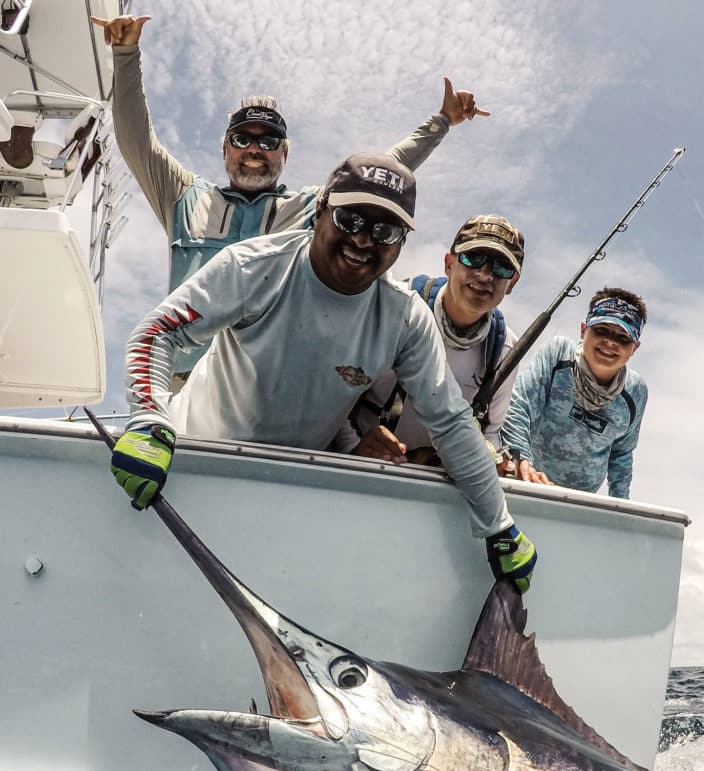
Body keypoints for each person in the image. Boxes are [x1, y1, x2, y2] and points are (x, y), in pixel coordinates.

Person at [109, 151, 537, 592]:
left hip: (292, 494)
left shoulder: (404, 316)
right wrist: (148, 417)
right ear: (320, 210)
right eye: (350, 218)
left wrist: (499, 525)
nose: (364, 240)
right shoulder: (253, 265)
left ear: (401, 243)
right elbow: (159, 333)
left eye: (384, 230)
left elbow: (450, 422)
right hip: (187, 468)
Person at [91, 13, 489, 382]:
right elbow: (136, 141)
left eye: (269, 141)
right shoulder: (183, 195)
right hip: (181, 386)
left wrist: (440, 123)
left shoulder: (310, 209)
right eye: (242, 138)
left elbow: (385, 169)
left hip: (265, 394)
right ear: (225, 148)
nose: (254, 149)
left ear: (285, 152)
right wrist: (126, 54)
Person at [338, 214, 524, 467]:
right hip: (351, 467)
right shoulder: (391, 306)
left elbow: (490, 432)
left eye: (501, 267)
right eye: (473, 258)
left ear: (512, 282)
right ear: (449, 264)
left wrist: (496, 459)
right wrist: (353, 447)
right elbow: (331, 391)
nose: (485, 275)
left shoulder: (503, 350)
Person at [500, 287, 648, 499]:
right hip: (526, 487)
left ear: (635, 347)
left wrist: (621, 504)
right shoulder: (557, 354)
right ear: (583, 329)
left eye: (623, 338)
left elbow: (621, 455)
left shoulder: (636, 392)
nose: (610, 343)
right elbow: (518, 407)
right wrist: (521, 460)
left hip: (578, 505)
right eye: (601, 330)